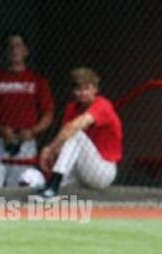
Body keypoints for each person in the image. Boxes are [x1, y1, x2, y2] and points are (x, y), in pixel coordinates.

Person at [0, 32, 54, 188]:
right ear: (4, 51)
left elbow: (48, 114)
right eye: (10, 46)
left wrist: (32, 131)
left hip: (25, 141)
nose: (14, 50)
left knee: (22, 186)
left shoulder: (37, 80)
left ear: (26, 51)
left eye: (18, 45)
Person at [38, 67, 122, 198]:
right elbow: (63, 138)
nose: (82, 93)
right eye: (78, 89)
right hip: (80, 171)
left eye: (86, 88)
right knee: (37, 184)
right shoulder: (72, 108)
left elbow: (74, 127)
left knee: (76, 134)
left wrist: (49, 149)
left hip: (103, 170)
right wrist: (53, 152)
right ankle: (51, 188)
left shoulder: (102, 104)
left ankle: (53, 185)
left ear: (95, 89)